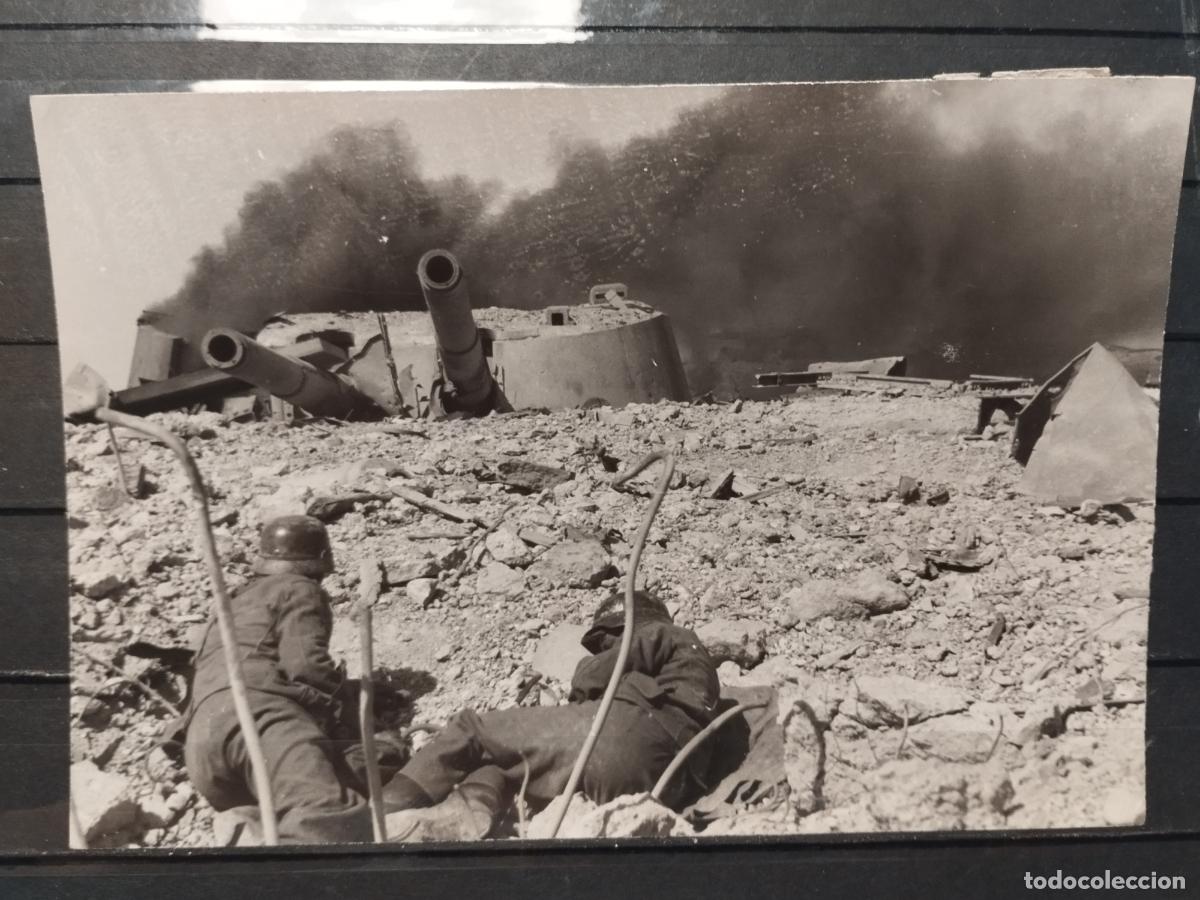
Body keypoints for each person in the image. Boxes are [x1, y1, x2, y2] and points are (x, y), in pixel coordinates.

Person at [383, 590, 720, 842]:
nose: (606, 649)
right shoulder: (689, 673)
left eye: (606, 641)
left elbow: (598, 673)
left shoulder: (662, 632)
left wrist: (580, 689)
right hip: (665, 779)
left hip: (627, 738)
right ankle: (467, 811)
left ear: (625, 626)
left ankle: (382, 808)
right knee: (509, 763)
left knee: (474, 729)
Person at [166, 514, 397, 845]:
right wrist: (347, 723)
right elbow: (307, 666)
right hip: (260, 722)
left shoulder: (232, 601)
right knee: (328, 818)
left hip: (203, 747)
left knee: (290, 812)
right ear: (321, 559)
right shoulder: (299, 588)